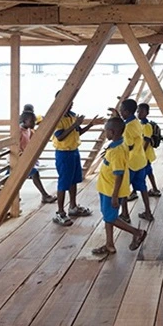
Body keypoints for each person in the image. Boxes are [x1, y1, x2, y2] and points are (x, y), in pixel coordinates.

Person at [91, 117, 147, 256]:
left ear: (112, 132)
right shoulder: (118, 144)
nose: (105, 134)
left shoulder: (117, 151)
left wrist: (115, 196)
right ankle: (109, 244)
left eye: (106, 131)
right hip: (106, 188)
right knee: (107, 216)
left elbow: (119, 175)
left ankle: (137, 232)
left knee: (110, 218)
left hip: (111, 190)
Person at [51, 91, 100, 226]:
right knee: (63, 182)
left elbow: (77, 131)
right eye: (68, 102)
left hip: (74, 151)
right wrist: (74, 124)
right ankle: (60, 212)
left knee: (74, 180)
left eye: (72, 102)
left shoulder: (72, 116)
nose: (71, 105)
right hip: (63, 153)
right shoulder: (56, 118)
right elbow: (60, 136)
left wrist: (90, 125)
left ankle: (73, 206)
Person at [109, 99, 153, 222]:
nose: (121, 112)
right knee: (142, 187)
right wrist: (118, 117)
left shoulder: (127, 128)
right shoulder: (136, 122)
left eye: (122, 111)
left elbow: (129, 146)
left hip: (130, 162)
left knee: (124, 189)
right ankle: (148, 212)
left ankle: (125, 214)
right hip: (141, 160)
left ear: (127, 112)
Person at [18, 111, 57, 204]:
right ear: (24, 121)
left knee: (9, 180)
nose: (33, 123)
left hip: (26, 159)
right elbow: (15, 146)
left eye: (34, 121)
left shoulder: (29, 130)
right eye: (31, 121)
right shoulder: (18, 131)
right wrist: (21, 155)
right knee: (34, 174)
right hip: (18, 159)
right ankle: (45, 196)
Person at [138, 103, 160, 197]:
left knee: (141, 173)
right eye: (138, 111)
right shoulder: (140, 124)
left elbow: (146, 140)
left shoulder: (147, 126)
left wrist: (141, 153)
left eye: (142, 111)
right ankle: (155, 189)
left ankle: (135, 191)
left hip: (145, 154)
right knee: (149, 172)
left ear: (147, 113)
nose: (139, 113)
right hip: (144, 154)